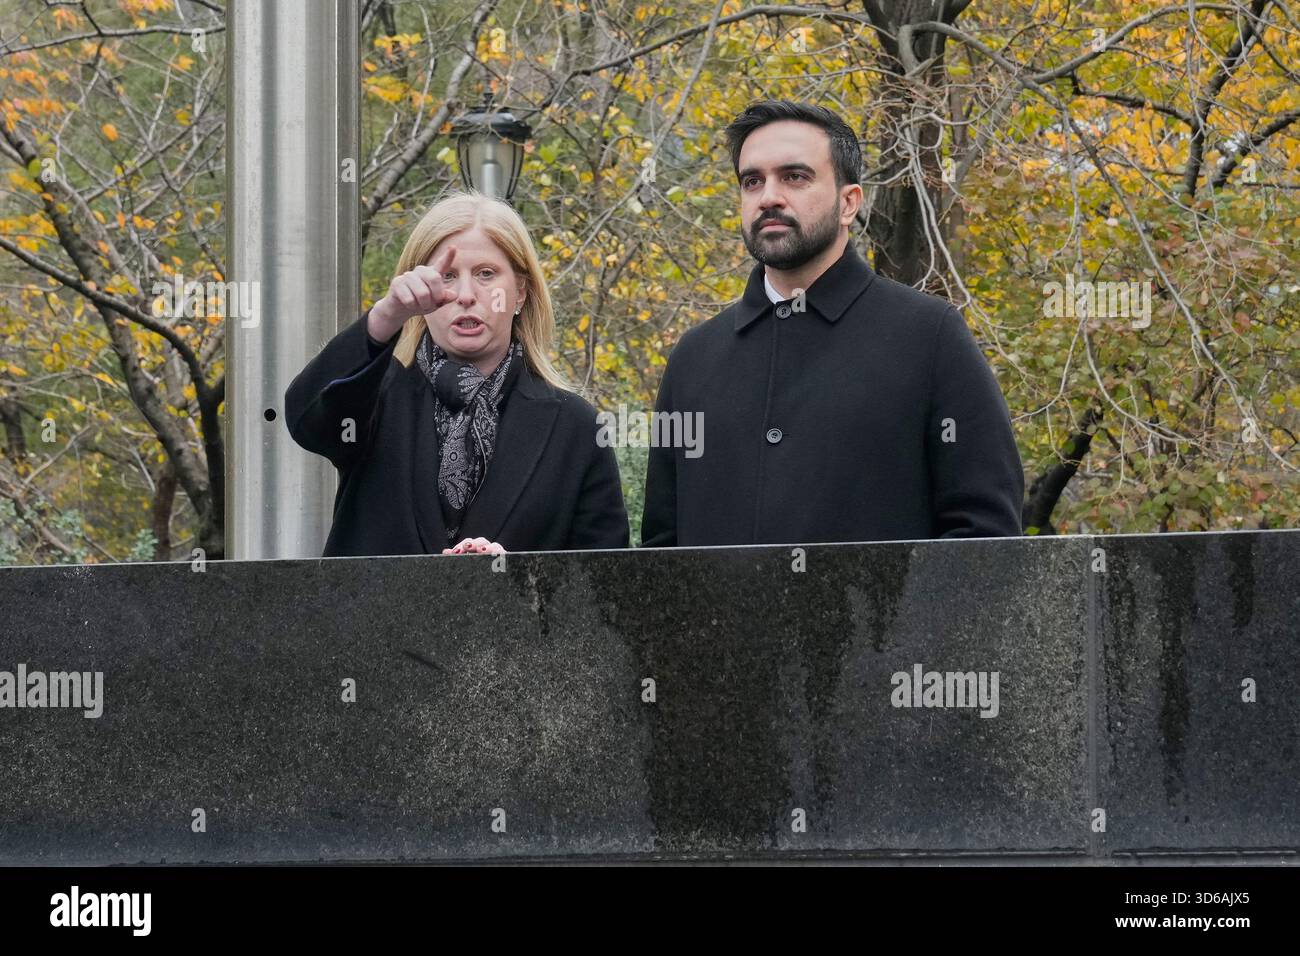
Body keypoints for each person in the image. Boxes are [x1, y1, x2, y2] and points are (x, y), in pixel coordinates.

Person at [640, 100, 1023, 547]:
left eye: (794, 177)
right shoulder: (694, 358)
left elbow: (986, 541)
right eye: (752, 181)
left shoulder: (929, 337)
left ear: (848, 203)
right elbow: (660, 556)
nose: (769, 197)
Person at [285, 191, 629, 557]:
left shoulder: (575, 427)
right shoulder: (375, 399)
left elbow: (604, 586)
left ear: (520, 293)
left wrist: (520, 579)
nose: (466, 294)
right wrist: (386, 316)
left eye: (486, 274)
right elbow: (306, 419)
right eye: (446, 276)